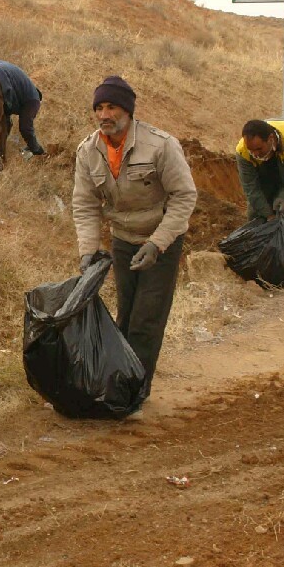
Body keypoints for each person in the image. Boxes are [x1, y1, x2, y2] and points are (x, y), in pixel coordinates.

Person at [71, 75, 197, 398]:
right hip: (123, 241)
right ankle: (118, 384)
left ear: (127, 110)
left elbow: (184, 196)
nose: (104, 115)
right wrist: (88, 250)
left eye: (111, 106)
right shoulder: (88, 151)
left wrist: (158, 243)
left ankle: (134, 394)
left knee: (147, 320)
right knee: (126, 316)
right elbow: (85, 204)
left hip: (161, 240)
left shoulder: (161, 146)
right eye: (99, 107)